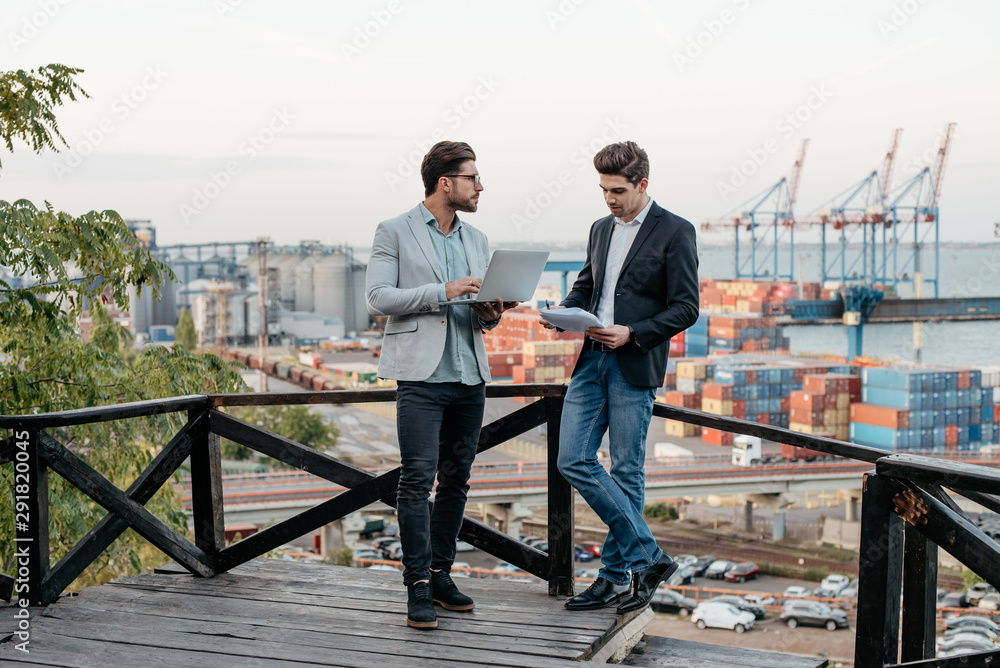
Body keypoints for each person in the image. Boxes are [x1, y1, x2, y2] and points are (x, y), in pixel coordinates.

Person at [366, 141, 517, 629]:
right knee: (416, 482)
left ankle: (441, 573)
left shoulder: (477, 239)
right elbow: (378, 298)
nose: (480, 187)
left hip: (469, 375)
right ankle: (417, 586)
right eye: (473, 178)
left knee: (456, 481)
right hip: (421, 377)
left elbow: (482, 311)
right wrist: (443, 291)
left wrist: (492, 313)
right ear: (445, 182)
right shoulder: (394, 230)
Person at [545, 141, 699, 613]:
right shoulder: (599, 229)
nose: (609, 199)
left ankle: (614, 577)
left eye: (617, 190)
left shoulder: (676, 231)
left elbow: (686, 308)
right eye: (603, 190)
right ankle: (649, 558)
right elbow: (588, 285)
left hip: (635, 361)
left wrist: (633, 332)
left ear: (642, 185)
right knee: (572, 459)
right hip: (592, 358)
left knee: (627, 471)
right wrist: (564, 313)